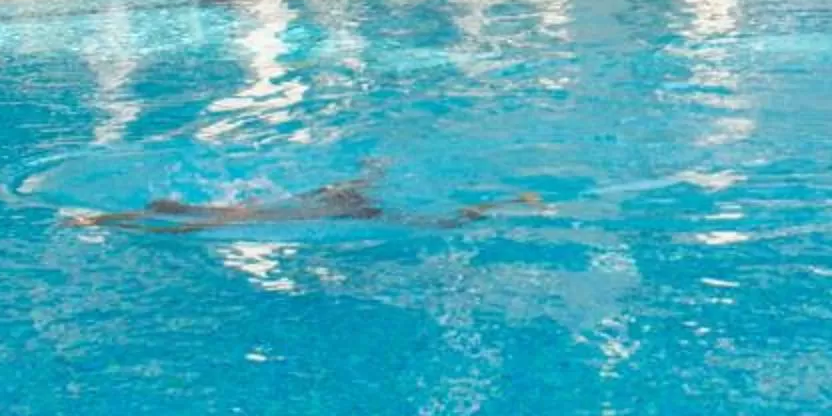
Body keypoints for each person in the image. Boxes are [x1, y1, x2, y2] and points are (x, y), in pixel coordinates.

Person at [64, 163, 538, 234]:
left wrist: (95, 221)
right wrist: (97, 220)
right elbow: (164, 223)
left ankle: (509, 204)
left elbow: (173, 229)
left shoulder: (225, 219)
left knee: (439, 224)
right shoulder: (233, 210)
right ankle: (510, 202)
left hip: (339, 210)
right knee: (435, 221)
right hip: (332, 202)